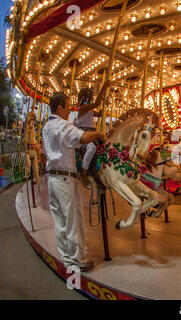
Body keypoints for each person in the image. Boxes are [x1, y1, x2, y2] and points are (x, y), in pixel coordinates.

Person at [42, 92, 105, 272]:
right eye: (68, 105)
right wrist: (99, 134)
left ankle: (66, 258)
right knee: (73, 220)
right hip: (64, 178)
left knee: (60, 220)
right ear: (60, 108)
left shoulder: (47, 126)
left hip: (52, 178)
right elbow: (83, 138)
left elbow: (74, 143)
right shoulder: (62, 125)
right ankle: (79, 259)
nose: (70, 109)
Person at [75, 81, 110, 188]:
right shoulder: (83, 109)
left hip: (92, 136)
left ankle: (101, 171)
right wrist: (104, 87)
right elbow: (96, 104)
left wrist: (106, 105)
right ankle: (83, 173)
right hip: (83, 136)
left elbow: (99, 114)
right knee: (91, 148)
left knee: (107, 146)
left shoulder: (89, 110)